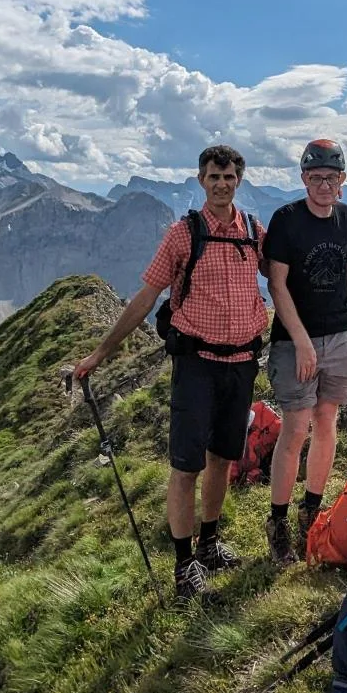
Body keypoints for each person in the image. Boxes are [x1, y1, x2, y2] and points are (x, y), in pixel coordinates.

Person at [74, 144, 268, 602]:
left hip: (241, 363)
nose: (222, 184)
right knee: (186, 466)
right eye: (213, 177)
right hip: (197, 365)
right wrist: (100, 354)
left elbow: (280, 280)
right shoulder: (183, 235)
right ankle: (185, 566)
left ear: (239, 180)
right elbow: (145, 298)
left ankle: (210, 544)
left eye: (229, 177)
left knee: (223, 458)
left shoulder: (254, 233)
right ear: (201, 181)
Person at [262, 139, 347, 564]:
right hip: (295, 342)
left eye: (331, 177)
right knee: (296, 427)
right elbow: (277, 284)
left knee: (327, 421)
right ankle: (277, 521)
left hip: (340, 336)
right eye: (315, 177)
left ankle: (312, 510)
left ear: (342, 180)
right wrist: (302, 341)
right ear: (303, 178)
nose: (324, 185)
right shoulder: (287, 220)